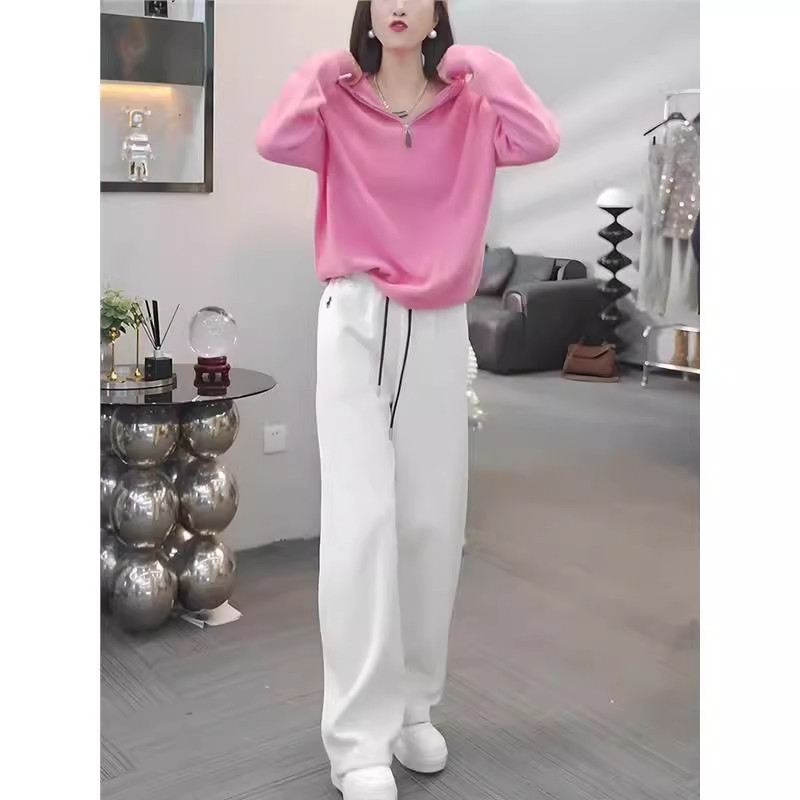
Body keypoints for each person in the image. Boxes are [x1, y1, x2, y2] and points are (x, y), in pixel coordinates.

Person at [256, 2, 559, 798]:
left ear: (434, 15)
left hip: (439, 322)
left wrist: (487, 66)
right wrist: (320, 69)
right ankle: (358, 741)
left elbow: (540, 138)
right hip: (355, 316)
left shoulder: (471, 109)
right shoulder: (339, 102)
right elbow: (275, 139)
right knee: (361, 526)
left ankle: (414, 706)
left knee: (431, 523)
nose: (397, 3)